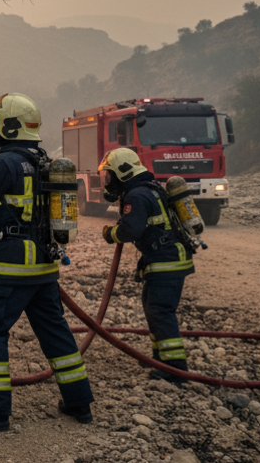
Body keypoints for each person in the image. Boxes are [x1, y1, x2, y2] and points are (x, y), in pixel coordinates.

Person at [0, 93, 94, 431]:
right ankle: (79, 402)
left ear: (8, 126)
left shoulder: (3, 162)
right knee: (55, 332)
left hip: (10, 264)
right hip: (42, 264)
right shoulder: (40, 160)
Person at [98, 148, 193, 385]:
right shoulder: (145, 189)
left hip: (166, 261)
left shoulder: (138, 195)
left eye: (109, 176)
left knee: (160, 311)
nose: (107, 182)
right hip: (162, 260)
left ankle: (174, 369)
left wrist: (110, 233)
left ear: (122, 173)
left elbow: (131, 230)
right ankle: (160, 359)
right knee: (153, 309)